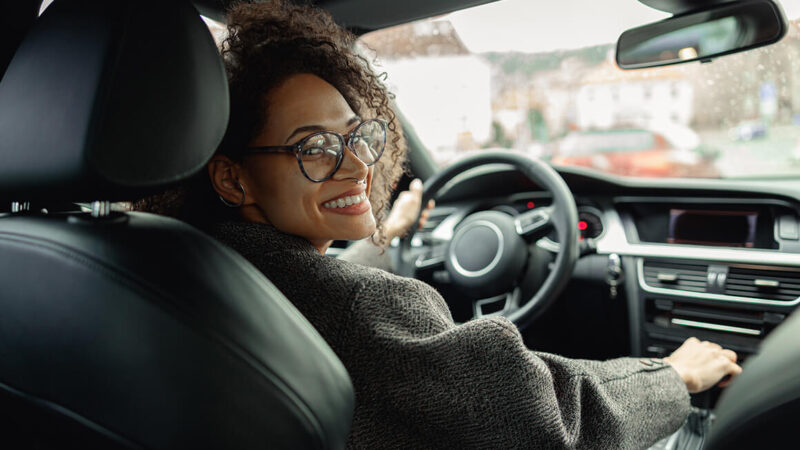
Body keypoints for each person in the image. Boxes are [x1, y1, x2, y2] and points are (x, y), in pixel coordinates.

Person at [136, 1, 742, 447]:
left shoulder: (173, 263)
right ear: (232, 178)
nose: (356, 166)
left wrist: (387, 236)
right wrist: (671, 375)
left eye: (359, 136)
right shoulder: (362, 311)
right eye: (314, 148)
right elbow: (545, 420)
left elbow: (314, 291)